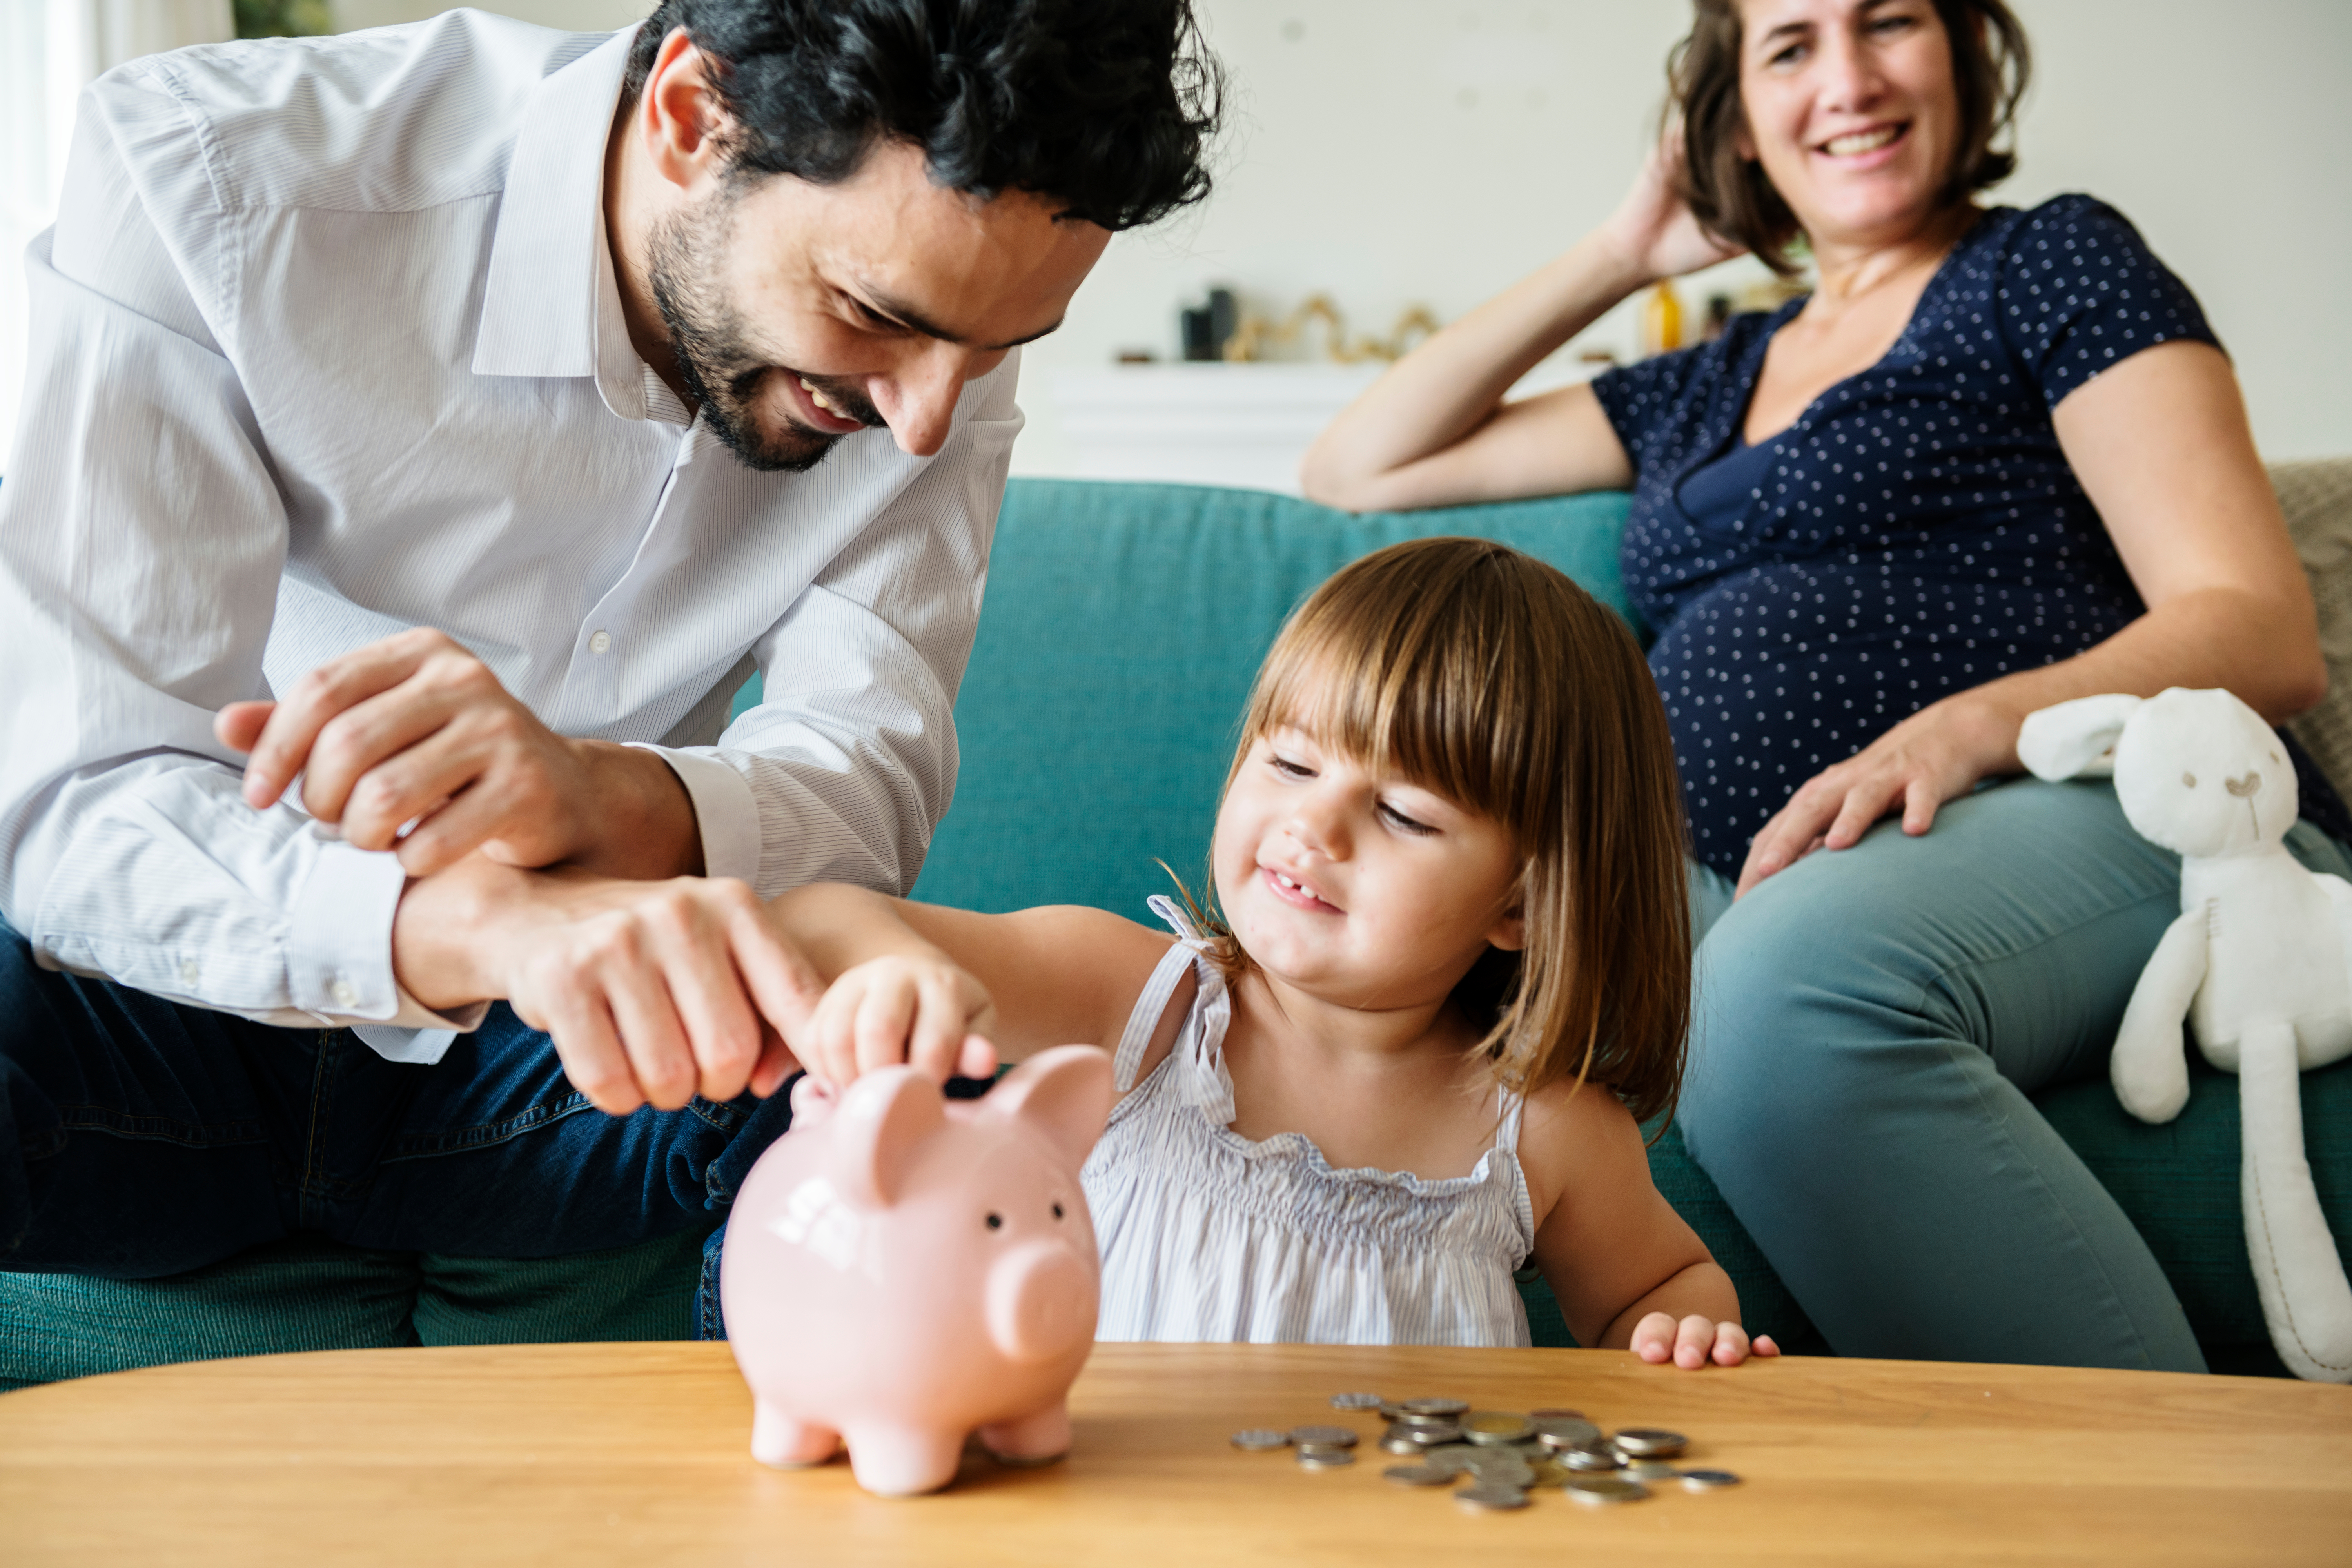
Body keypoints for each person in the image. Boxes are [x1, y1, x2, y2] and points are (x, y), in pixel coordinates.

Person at [0, 0, 1218, 1278]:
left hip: (576, 1062)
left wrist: (602, 794)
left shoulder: (944, 333)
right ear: (692, 116)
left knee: (898, 1104)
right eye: (870, 315)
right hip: (169, 1020)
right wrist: (486, 927)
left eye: (996, 351)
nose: (923, 422)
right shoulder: (217, 178)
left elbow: (863, 797)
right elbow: (74, 797)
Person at [1298, 0, 2345, 1372]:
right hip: (1762, 865)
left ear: (1965, 57)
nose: (1847, 78)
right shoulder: (1707, 376)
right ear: (1732, 115)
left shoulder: (2048, 263)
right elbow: (1357, 467)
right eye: (1790, 46)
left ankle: (2144, 1510)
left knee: (1782, 1004)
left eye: (1889, 21)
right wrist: (1622, 252)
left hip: (2092, 803)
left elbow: (2260, 629)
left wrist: (1972, 729)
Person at [767, 538, 1778, 1362]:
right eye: (1290, 762)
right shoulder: (1138, 1004)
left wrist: (1683, 1335)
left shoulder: (1543, 1127)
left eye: (1403, 815)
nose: (1314, 826)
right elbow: (822, 922)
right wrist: (897, 974)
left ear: (1521, 905)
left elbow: (1658, 1286)